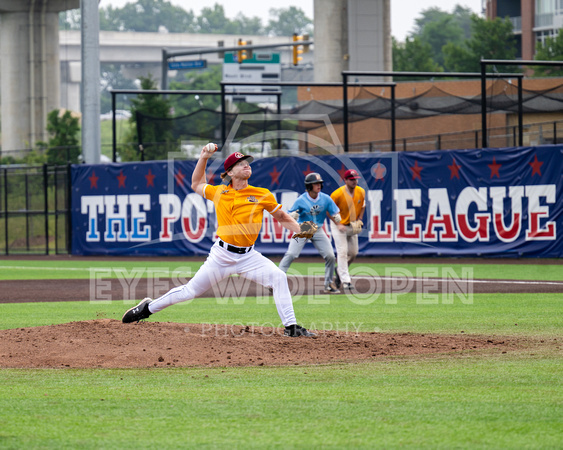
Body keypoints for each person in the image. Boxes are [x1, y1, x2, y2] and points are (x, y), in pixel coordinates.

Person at [122, 144, 316, 337]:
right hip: (222, 256)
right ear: (230, 172)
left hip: (249, 257)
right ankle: (148, 308)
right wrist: (204, 157)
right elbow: (196, 184)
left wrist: (302, 230)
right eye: (240, 164)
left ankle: (291, 327)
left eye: (247, 163)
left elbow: (281, 216)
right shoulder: (220, 192)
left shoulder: (261, 194)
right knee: (190, 292)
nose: (246, 165)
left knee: (279, 277)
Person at [279, 172, 345, 293]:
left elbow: (334, 210)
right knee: (292, 254)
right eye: (316, 184)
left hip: (318, 229)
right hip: (304, 228)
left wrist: (337, 216)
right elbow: (289, 213)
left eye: (320, 183)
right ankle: (276, 280)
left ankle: (328, 284)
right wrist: (292, 215)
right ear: (309, 186)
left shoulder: (325, 198)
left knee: (330, 256)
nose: (319, 185)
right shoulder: (301, 200)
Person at [330, 169, 366, 290]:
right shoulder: (337, 194)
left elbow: (363, 206)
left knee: (354, 253)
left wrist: (360, 219)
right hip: (338, 226)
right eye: (351, 179)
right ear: (345, 180)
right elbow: (328, 210)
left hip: (351, 225)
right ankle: (346, 281)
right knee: (342, 252)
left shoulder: (361, 191)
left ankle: (339, 270)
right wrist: (338, 223)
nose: (354, 181)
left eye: (355, 179)